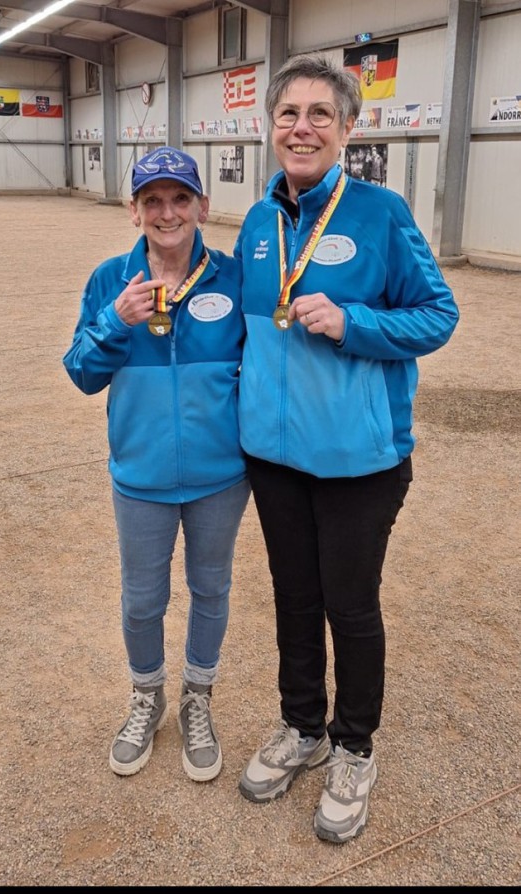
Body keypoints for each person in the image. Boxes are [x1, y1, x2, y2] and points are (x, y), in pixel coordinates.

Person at [234, 54, 459, 843]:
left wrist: (354, 322)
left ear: (348, 128)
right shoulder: (257, 222)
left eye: (319, 114)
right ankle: (303, 726)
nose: (302, 128)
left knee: (349, 605)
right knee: (293, 597)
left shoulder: (381, 212)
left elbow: (438, 314)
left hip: (359, 461)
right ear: (271, 127)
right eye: (288, 114)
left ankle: (354, 745)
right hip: (274, 457)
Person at [63, 147, 250, 782]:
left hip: (221, 477)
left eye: (180, 199)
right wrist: (115, 323)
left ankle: (198, 697)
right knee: (143, 599)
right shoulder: (110, 280)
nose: (167, 213)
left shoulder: (233, 279)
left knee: (211, 588)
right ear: (134, 210)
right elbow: (81, 373)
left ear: (202, 206)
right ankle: (147, 697)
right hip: (140, 478)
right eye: (153, 201)